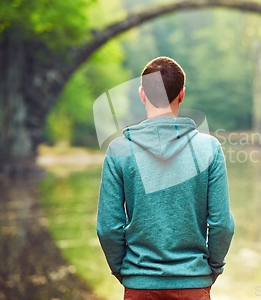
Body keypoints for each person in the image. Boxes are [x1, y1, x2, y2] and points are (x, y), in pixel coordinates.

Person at [96, 56, 235, 300]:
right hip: (193, 283)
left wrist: (126, 272)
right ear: (181, 94)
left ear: (142, 94)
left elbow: (108, 229)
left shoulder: (119, 151)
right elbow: (222, 224)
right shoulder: (209, 149)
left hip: (139, 285)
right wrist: (211, 269)